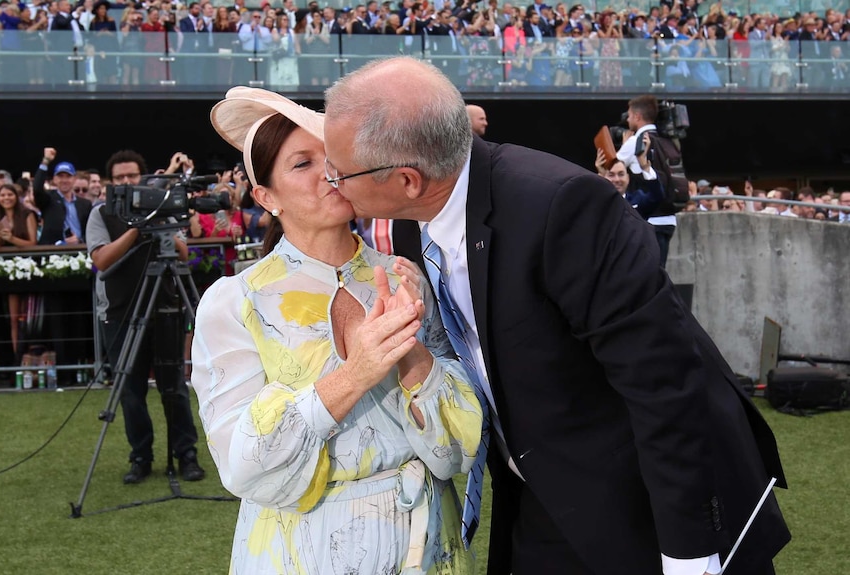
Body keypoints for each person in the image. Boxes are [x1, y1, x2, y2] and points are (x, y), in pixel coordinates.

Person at [322, 56, 791, 575]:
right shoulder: (411, 226)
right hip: (545, 495)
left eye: (337, 172)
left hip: (651, 500)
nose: (330, 182)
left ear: (408, 179)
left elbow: (663, 383)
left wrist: (687, 554)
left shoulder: (560, 207)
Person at [191, 87, 481, 574]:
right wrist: (356, 373)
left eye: (333, 159)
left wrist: (410, 353)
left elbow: (458, 451)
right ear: (265, 197)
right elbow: (244, 466)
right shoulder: (236, 302)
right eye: (301, 164)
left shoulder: (407, 277)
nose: (328, 174)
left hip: (429, 549)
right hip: (299, 554)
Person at [86, 149, 205, 485]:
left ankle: (187, 454)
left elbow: (184, 252)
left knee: (175, 386)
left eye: (132, 176)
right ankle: (141, 457)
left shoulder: (161, 204)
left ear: (142, 176)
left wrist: (159, 216)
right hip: (120, 312)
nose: (127, 182)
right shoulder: (100, 213)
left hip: (165, 306)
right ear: (111, 182)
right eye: (120, 177)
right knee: (130, 389)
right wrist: (137, 229)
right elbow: (103, 260)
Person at [616, 95, 677, 267]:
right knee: (659, 274)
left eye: (629, 115)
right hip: (669, 219)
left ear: (637, 116)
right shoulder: (667, 141)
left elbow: (611, 167)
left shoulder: (636, 142)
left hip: (649, 220)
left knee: (645, 275)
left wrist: (623, 146)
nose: (627, 119)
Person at [0, 183, 38, 358]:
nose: (6, 198)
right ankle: (18, 359)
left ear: (16, 197)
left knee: (29, 317)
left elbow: (33, 243)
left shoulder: (27, 214)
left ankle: (29, 356)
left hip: (28, 270)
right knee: (13, 319)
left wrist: (12, 238)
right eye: (2, 196)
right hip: (7, 274)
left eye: (9, 195)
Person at [594, 133, 664, 219]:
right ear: (603, 177)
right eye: (611, 175)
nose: (617, 179)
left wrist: (645, 167)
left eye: (621, 174)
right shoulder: (598, 202)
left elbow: (656, 197)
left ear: (628, 178)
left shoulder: (637, 199)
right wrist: (600, 177)